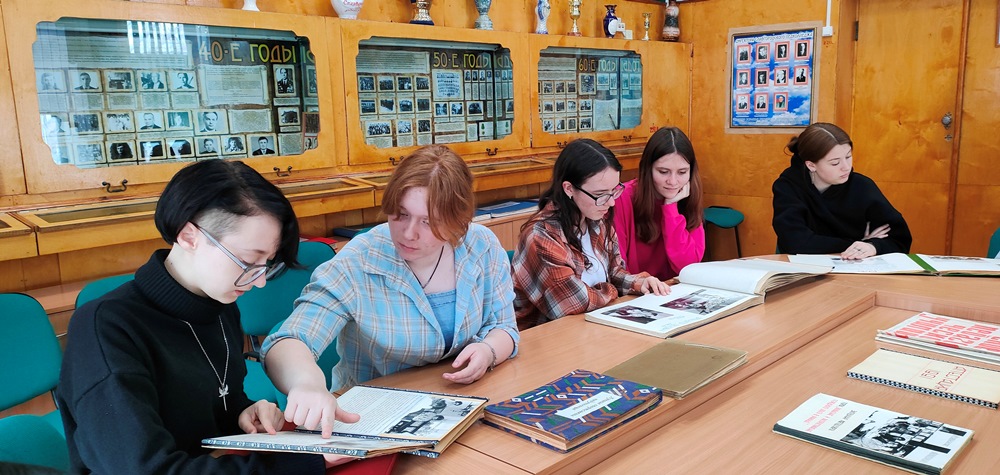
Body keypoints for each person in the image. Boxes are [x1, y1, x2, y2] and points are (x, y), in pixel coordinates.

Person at [56, 160, 330, 473]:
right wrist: (303, 463)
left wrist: (244, 412)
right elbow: (148, 470)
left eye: (266, 263)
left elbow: (217, 403)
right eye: (247, 261)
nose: (259, 281)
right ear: (189, 236)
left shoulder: (218, 303)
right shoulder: (106, 329)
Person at [261, 145, 518, 438]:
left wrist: (488, 350)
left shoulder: (481, 245)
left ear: (458, 221)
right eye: (400, 214)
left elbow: (504, 326)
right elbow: (290, 339)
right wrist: (306, 383)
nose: (409, 233)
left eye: (429, 222)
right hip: (373, 420)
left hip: (462, 405)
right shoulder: (359, 261)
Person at [512, 139, 670, 330]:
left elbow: (614, 272)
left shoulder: (596, 219)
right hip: (547, 338)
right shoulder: (541, 236)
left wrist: (639, 283)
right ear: (569, 189)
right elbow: (574, 303)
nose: (611, 202)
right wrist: (612, 290)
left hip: (591, 329)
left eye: (614, 191)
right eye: (601, 194)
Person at [772, 122, 912, 259]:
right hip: (799, 268)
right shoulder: (788, 187)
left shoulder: (863, 186)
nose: (846, 167)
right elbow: (795, 242)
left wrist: (872, 247)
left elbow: (899, 240)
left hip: (856, 270)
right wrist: (855, 243)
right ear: (811, 165)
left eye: (848, 157)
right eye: (835, 163)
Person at [613, 127, 705, 280]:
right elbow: (616, 269)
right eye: (663, 172)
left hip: (674, 288)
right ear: (648, 169)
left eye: (682, 172)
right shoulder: (621, 198)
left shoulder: (688, 198)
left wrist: (671, 209)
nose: (673, 182)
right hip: (635, 289)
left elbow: (688, 268)